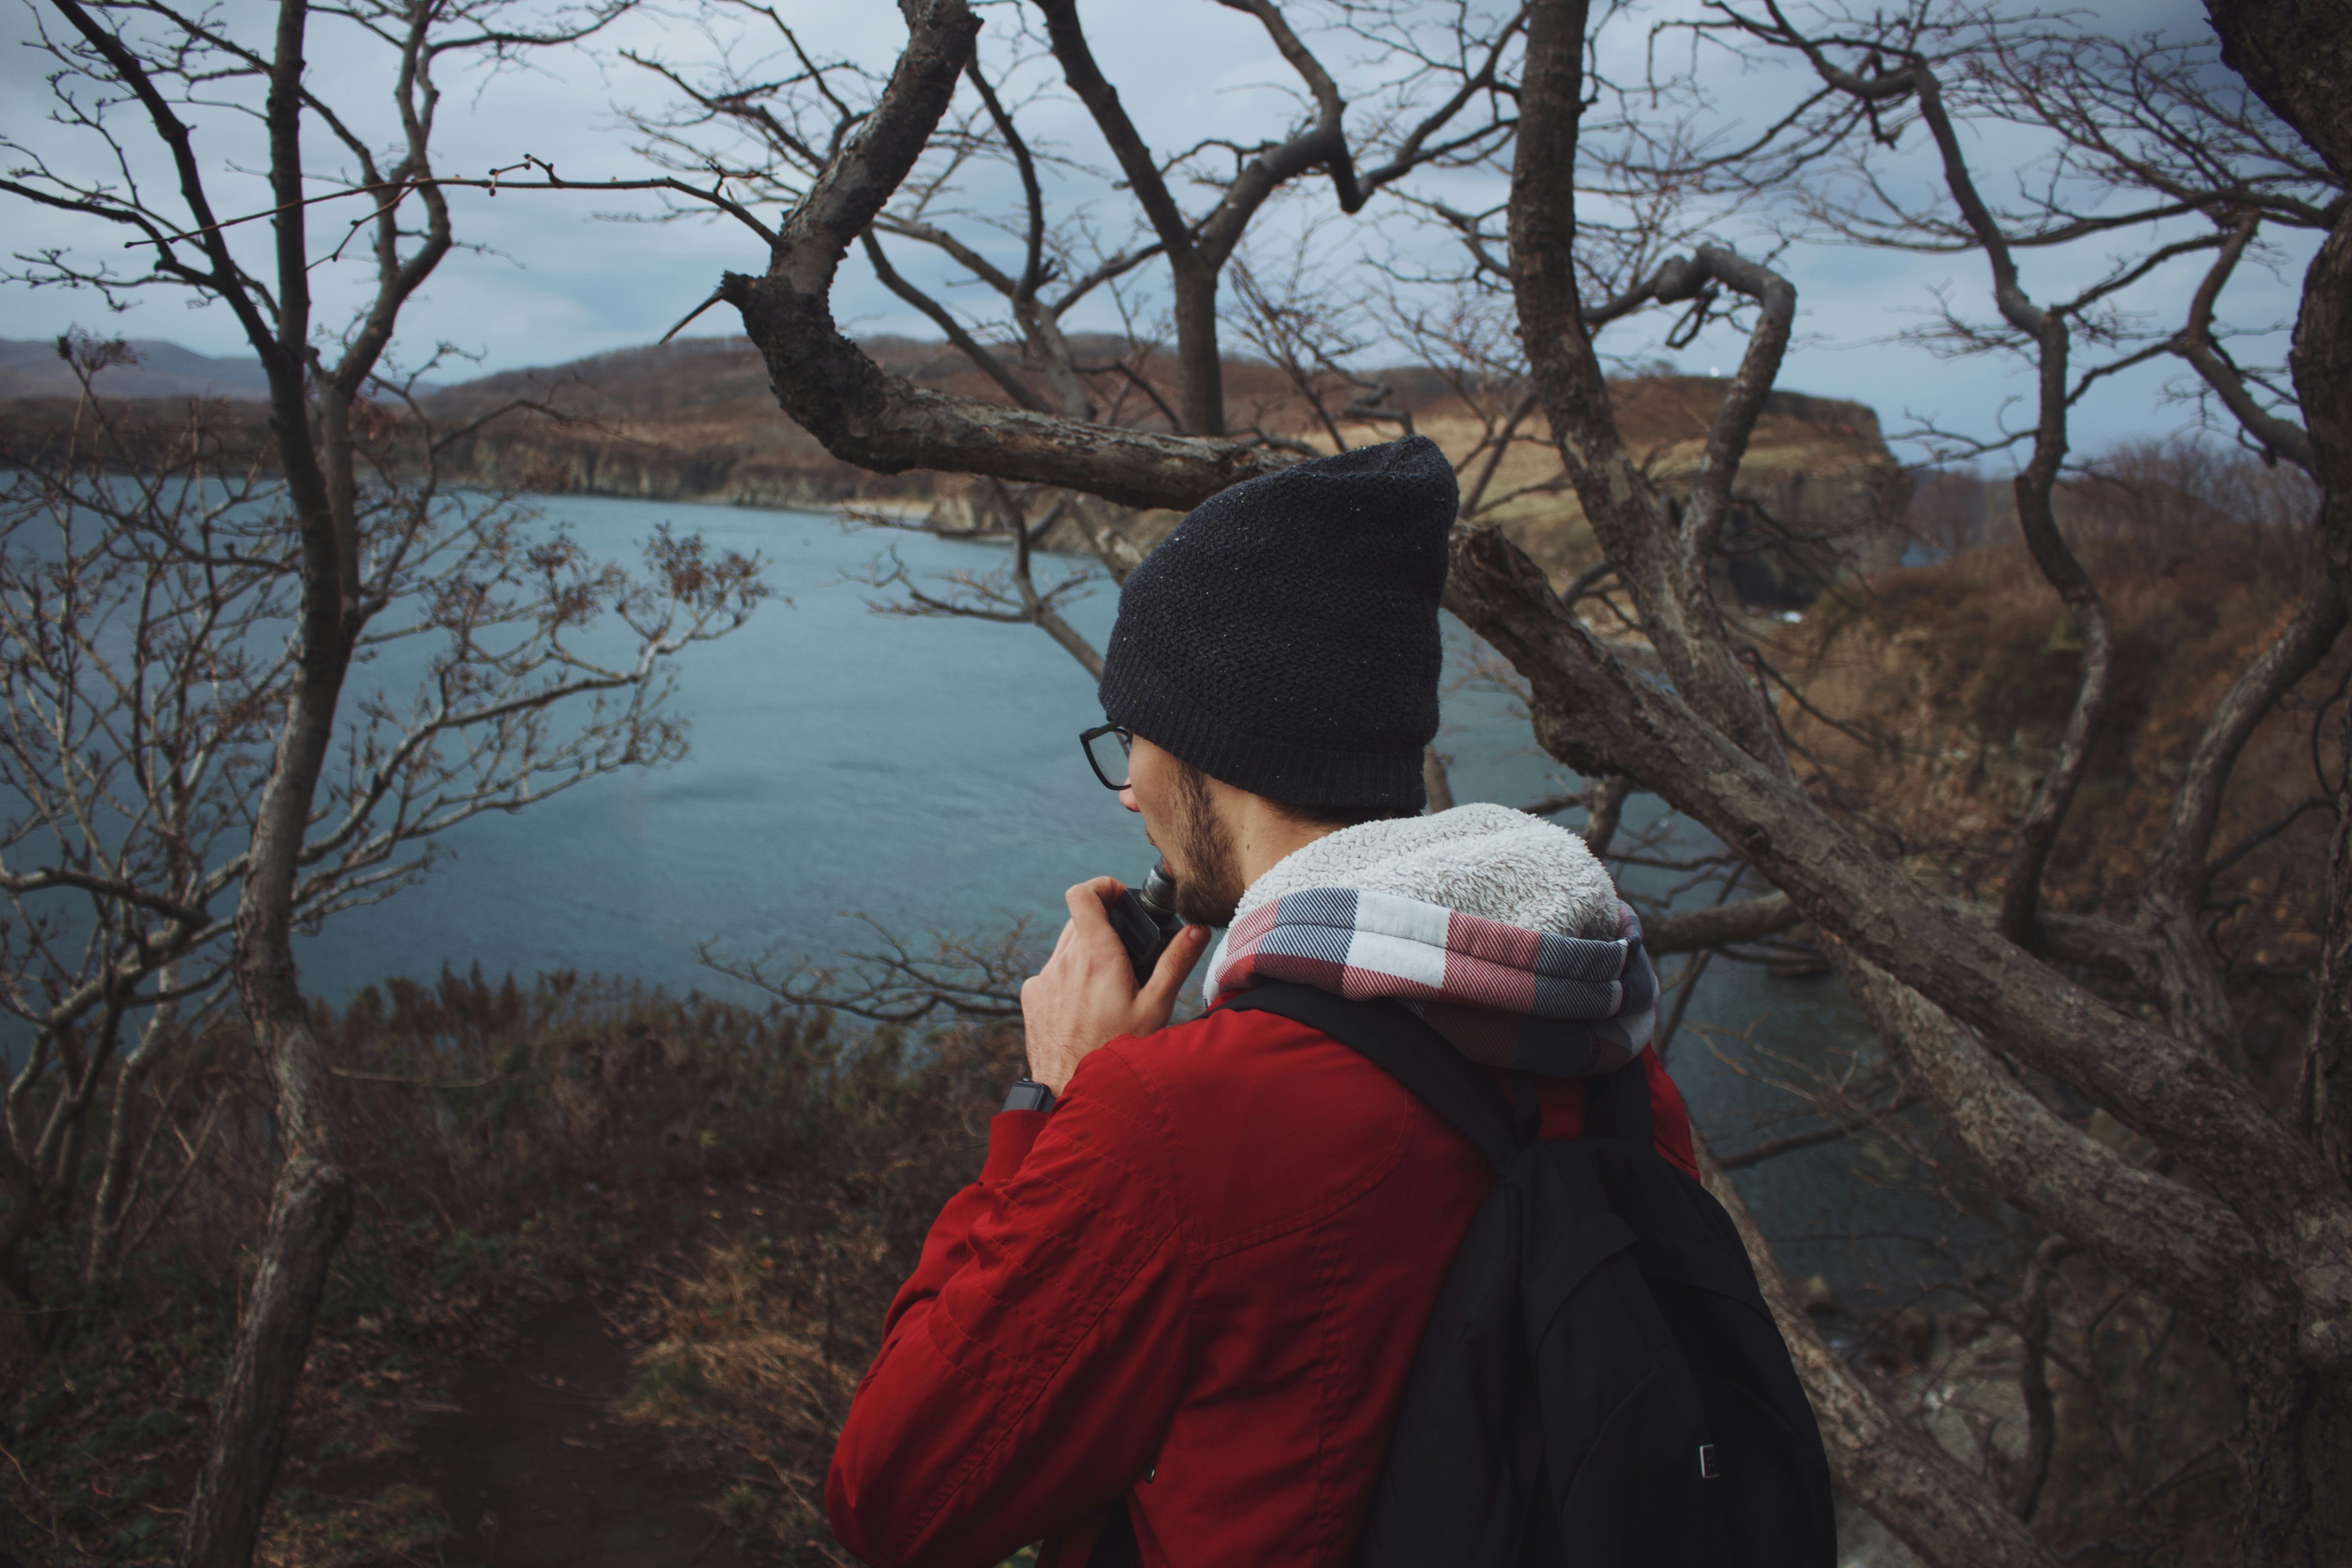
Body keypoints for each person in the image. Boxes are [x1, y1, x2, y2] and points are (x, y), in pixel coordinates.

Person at [825, 436, 1698, 1568]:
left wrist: (1054, 1105)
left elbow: (891, 1500)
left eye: (1132, 738)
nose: (1129, 785)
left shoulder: (1172, 1122)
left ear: (1211, 745)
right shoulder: (1607, 1045)